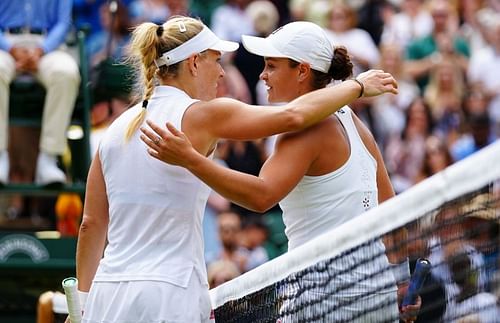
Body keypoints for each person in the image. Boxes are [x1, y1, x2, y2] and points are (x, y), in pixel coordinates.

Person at [75, 16, 398, 323]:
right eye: (217, 61)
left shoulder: (115, 130)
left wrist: (81, 305)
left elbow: (91, 224)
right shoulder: (207, 115)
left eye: (270, 65)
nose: (222, 73)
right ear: (194, 62)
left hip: (107, 293)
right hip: (171, 291)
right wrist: (356, 87)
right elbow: (293, 118)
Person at [0, 0, 81, 185]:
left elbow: (63, 22)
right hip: (4, 45)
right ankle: (0, 157)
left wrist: (41, 50)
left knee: (66, 73)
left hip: (47, 46)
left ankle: (48, 159)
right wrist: (10, 48)